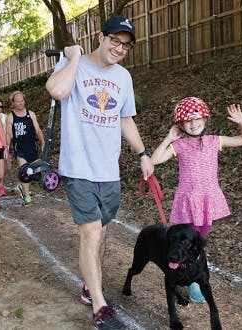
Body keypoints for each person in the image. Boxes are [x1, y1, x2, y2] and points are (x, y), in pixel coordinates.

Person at [46, 16, 153, 330]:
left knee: (102, 234)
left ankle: (87, 286)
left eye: (126, 45)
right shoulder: (74, 64)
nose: (119, 48)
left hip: (109, 171)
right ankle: (100, 308)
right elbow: (56, 91)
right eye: (114, 41)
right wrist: (75, 56)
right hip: (78, 168)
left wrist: (143, 154)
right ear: (101, 37)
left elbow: (125, 120)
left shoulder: (123, 78)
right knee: (91, 232)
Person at [151, 97, 242, 302]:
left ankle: (194, 278)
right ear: (181, 125)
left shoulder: (214, 141)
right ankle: (188, 281)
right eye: (188, 121)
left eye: (197, 119)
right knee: (183, 241)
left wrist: (241, 122)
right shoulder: (180, 145)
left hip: (207, 200)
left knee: (198, 243)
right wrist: (168, 138)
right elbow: (155, 160)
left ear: (205, 119)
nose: (194, 124)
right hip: (188, 200)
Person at [6, 91, 45, 206]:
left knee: (33, 173)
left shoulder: (31, 114)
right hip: (20, 149)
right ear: (13, 103)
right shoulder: (10, 117)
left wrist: (42, 141)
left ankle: (22, 188)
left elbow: (37, 129)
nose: (20, 103)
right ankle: (27, 196)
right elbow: (8, 134)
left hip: (32, 147)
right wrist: (7, 148)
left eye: (22, 101)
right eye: (18, 102)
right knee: (24, 170)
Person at [0, 100, 12, 179]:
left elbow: (9, 133)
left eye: (1, 106)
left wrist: (7, 145)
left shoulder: (6, 117)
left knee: (8, 167)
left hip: (4, 144)